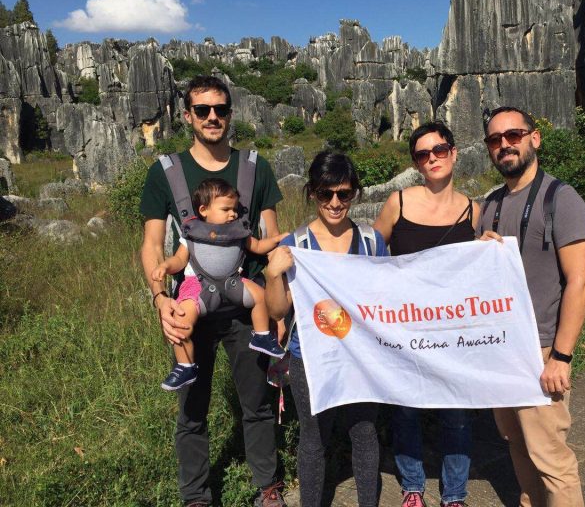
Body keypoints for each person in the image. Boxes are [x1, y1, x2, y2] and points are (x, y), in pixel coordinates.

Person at [140, 75, 286, 507]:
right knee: (192, 408)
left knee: (257, 400)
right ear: (187, 116)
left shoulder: (256, 167)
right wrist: (160, 299)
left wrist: (276, 310)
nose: (212, 117)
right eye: (202, 110)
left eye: (220, 109)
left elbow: (270, 236)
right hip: (190, 303)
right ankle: (196, 496)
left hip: (245, 304)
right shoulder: (165, 172)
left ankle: (268, 485)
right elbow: (152, 244)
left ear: (230, 114)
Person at [477, 106, 585, 507]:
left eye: (514, 135)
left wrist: (561, 356)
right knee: (516, 443)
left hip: (541, 348)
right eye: (495, 140)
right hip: (501, 348)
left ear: (534, 138)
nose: (505, 145)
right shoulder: (489, 205)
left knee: (551, 457)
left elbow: (580, 280)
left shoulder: (560, 198)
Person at [265, 151, 387, 507]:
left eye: (344, 194)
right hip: (310, 356)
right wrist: (273, 273)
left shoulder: (370, 242)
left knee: (364, 432)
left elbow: (387, 298)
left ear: (355, 194)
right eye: (325, 193)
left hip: (361, 355)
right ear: (312, 193)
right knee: (314, 436)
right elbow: (277, 309)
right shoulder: (296, 245)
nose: (335, 203)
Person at [373, 122, 480, 507]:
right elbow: (369, 254)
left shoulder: (473, 211)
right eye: (422, 154)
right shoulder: (398, 202)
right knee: (405, 412)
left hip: (454, 335)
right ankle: (413, 487)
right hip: (405, 332)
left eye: (439, 150)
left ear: (453, 152)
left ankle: (454, 494)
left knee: (457, 416)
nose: (432, 158)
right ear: (416, 163)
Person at [151, 177, 288, 391]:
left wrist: (279, 240)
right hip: (198, 286)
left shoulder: (239, 231)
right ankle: (185, 365)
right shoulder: (192, 234)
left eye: (234, 209)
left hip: (233, 282)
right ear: (204, 210)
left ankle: (261, 336)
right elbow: (179, 260)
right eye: (226, 209)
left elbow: (259, 246)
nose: (233, 214)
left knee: (260, 296)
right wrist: (166, 267)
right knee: (179, 323)